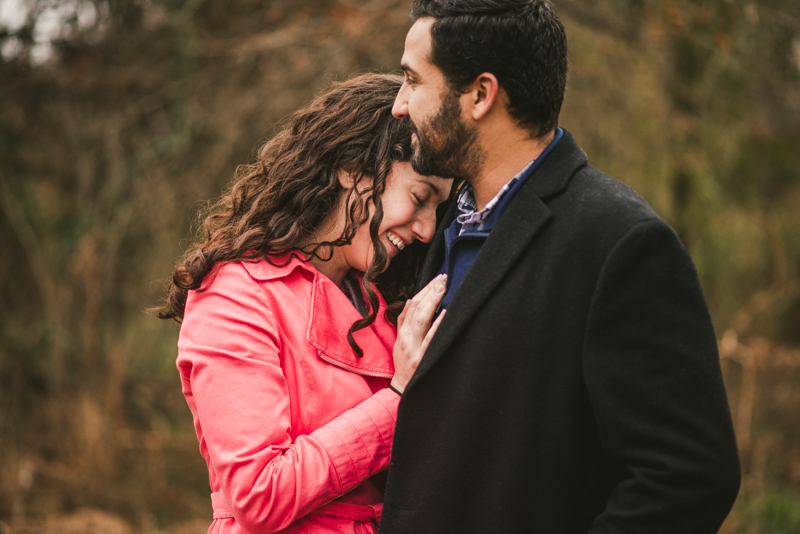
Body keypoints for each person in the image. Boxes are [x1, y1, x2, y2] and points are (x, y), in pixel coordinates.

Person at [380, 1, 741, 533]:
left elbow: (688, 477)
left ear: (481, 94)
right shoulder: (440, 227)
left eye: (413, 80)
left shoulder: (620, 243)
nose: (399, 105)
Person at [158, 74, 452, 534]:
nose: (427, 229)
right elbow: (260, 495)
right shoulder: (238, 294)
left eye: (438, 209)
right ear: (353, 169)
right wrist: (397, 398)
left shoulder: (380, 306)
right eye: (419, 197)